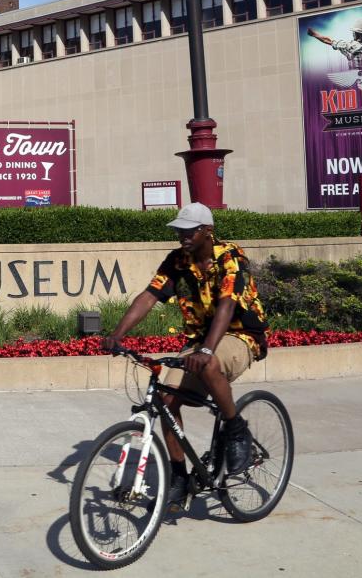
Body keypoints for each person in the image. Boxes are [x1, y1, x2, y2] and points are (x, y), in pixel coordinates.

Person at [101, 202, 269, 512]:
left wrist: (206, 350)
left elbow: (226, 306)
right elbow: (149, 296)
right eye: (179, 231)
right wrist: (118, 334)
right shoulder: (177, 261)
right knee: (166, 401)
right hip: (201, 340)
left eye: (188, 231)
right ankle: (178, 476)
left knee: (211, 361)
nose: (182, 237)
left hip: (240, 335)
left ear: (207, 231)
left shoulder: (231, 259)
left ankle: (235, 428)